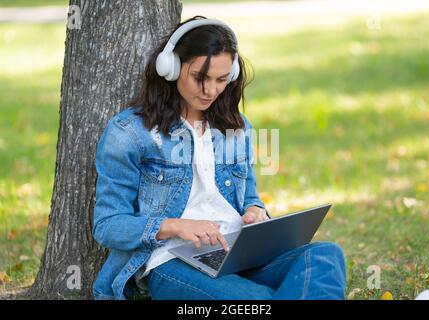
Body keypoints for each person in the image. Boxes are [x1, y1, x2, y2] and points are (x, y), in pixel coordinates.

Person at [92, 15, 346, 300]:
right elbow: (107, 224)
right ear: (171, 68)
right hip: (171, 261)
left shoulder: (236, 127)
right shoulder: (130, 132)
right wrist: (177, 225)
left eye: (221, 80)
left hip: (238, 253)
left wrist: (255, 212)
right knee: (259, 300)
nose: (210, 90)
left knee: (324, 256)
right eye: (200, 78)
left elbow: (249, 196)